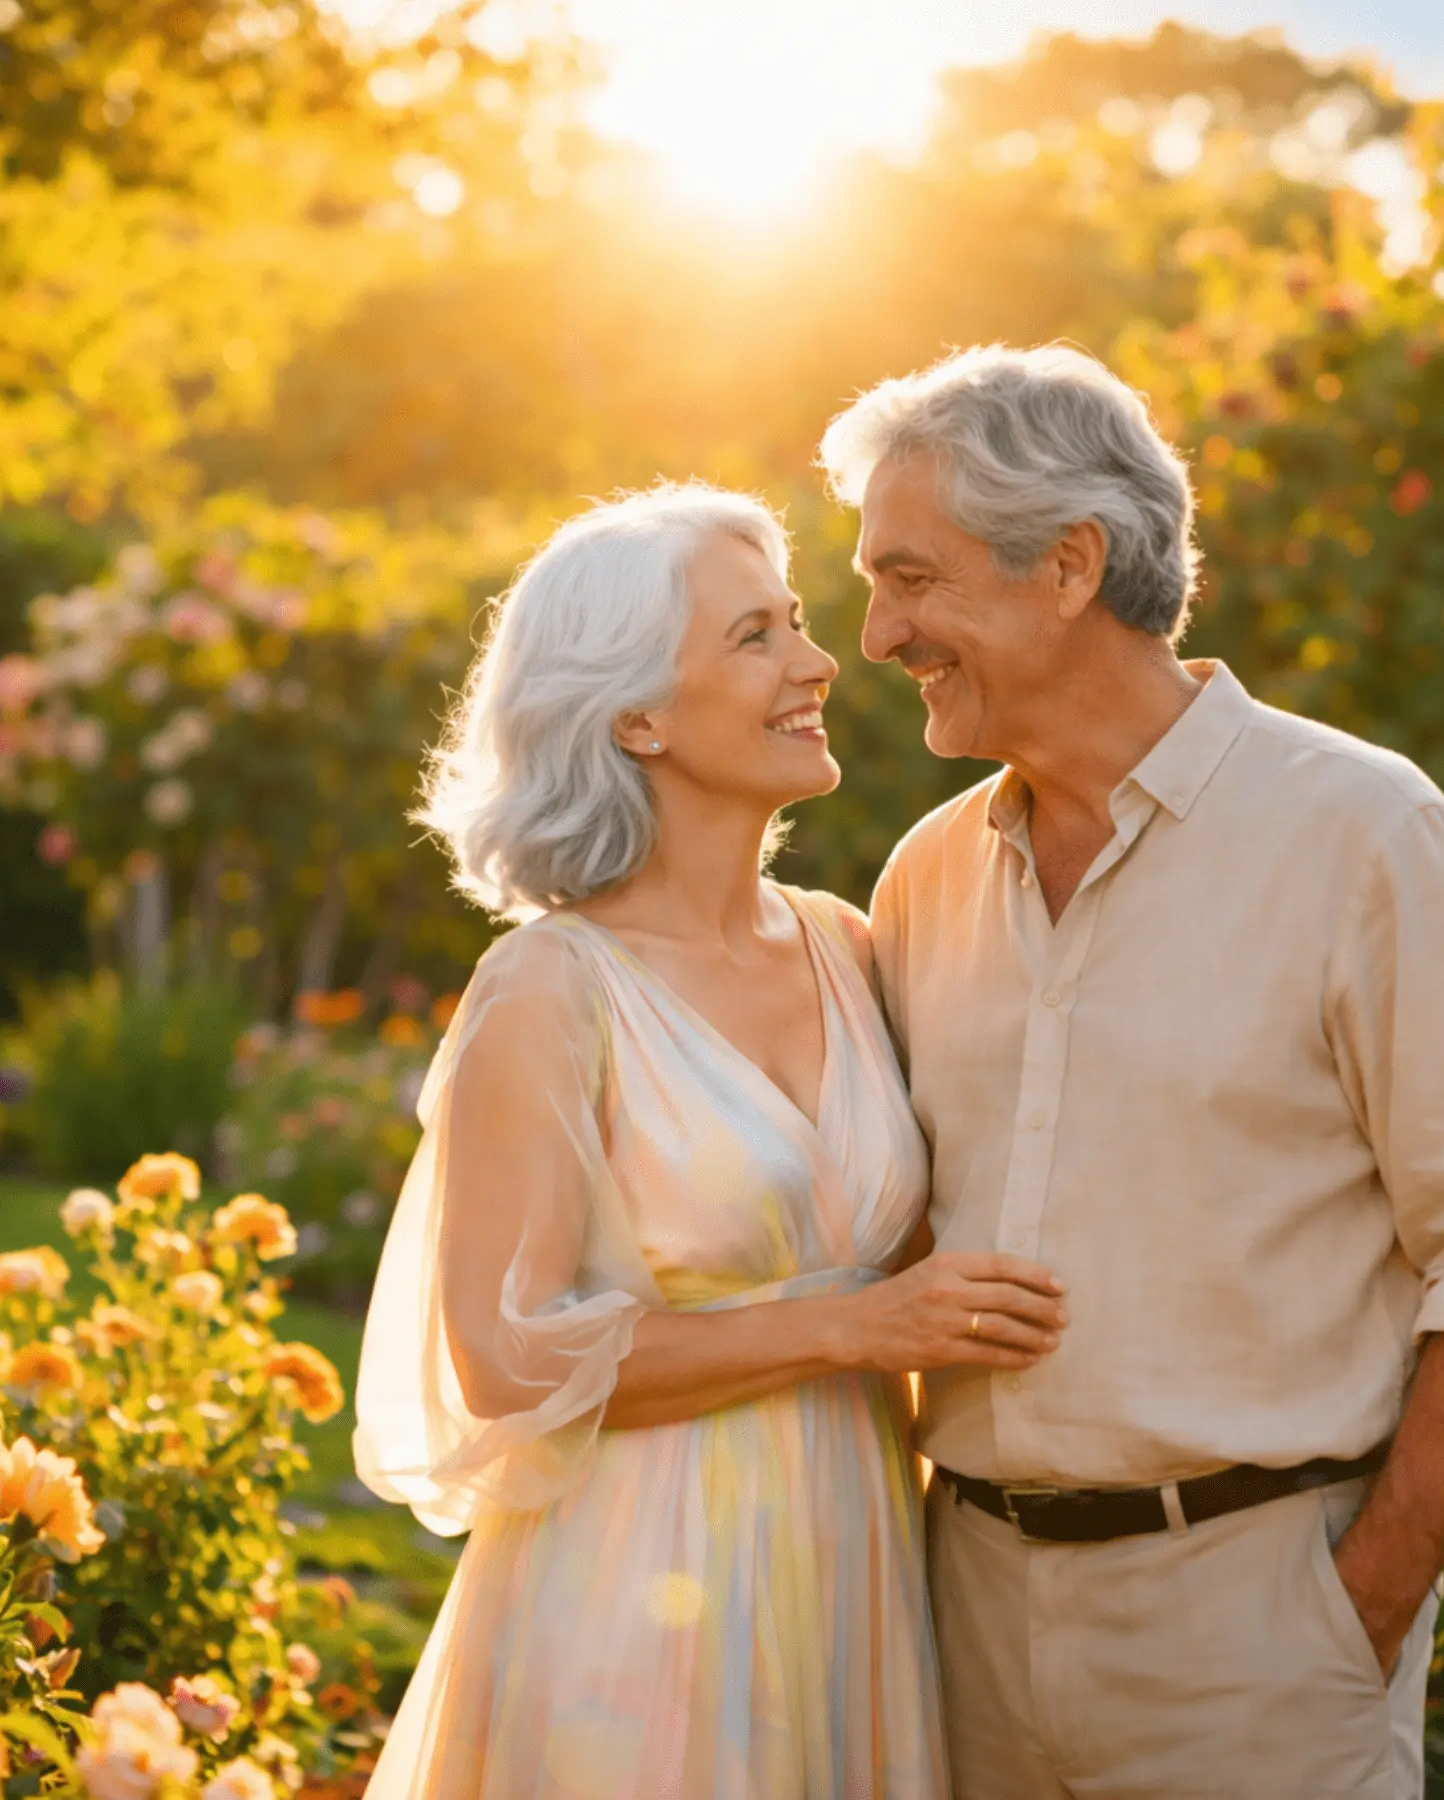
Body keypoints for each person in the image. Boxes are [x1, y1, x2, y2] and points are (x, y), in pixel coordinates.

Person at [817, 342, 1444, 1800]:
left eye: (911, 579)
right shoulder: (923, 881)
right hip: (963, 1621)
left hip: (1258, 1629)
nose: (878, 634)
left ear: (1069, 565)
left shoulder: (1368, 837)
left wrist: (1359, 1607)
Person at [352, 483, 1068, 1798]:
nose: (818, 662)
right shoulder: (550, 989)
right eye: (755, 636)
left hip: (857, 1575)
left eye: (796, 622)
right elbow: (506, 1360)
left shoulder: (850, 946)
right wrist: (850, 1328)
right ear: (638, 715)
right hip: (637, 1600)